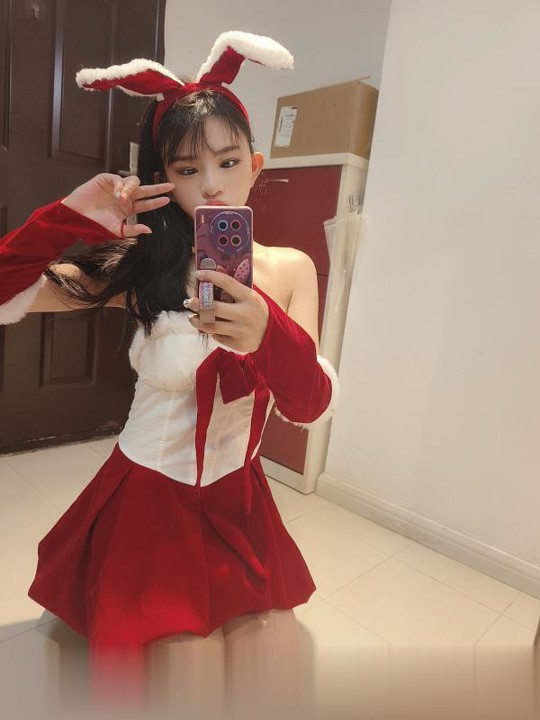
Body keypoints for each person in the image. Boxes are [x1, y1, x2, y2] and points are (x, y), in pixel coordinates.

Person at [0, 30, 338, 711]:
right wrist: (64, 219)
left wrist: (268, 334)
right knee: (189, 672)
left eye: (227, 160)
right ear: (163, 177)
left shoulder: (292, 271)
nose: (210, 183)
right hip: (151, 500)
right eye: (186, 169)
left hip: (239, 502)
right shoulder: (143, 267)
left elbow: (309, 405)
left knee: (276, 665)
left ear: (255, 165)